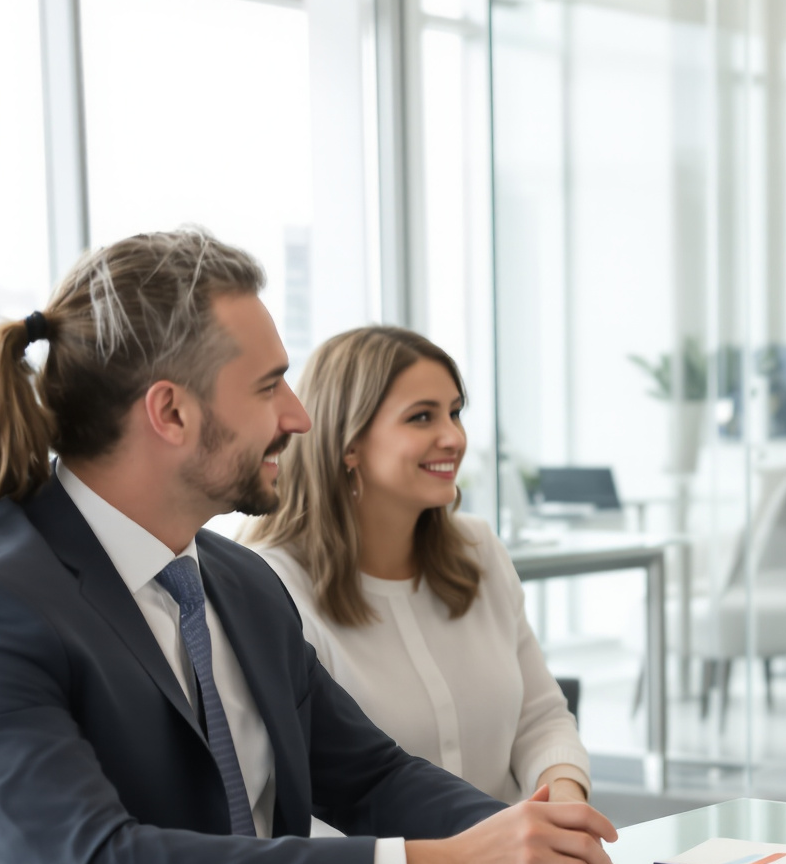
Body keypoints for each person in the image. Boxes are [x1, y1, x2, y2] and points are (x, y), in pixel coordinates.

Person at [0, 229, 618, 864]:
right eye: (269, 387)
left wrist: (529, 841)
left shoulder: (237, 583)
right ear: (170, 414)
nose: (299, 418)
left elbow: (371, 779)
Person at [244, 326, 590, 806]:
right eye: (422, 417)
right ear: (349, 444)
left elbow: (541, 719)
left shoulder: (479, 551)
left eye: (454, 413)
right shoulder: (271, 585)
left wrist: (565, 805)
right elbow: (285, 798)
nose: (453, 437)